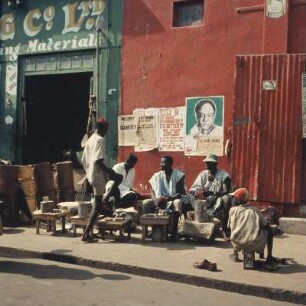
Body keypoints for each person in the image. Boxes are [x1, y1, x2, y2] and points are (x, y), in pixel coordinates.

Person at [81, 117, 123, 243]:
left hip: (92, 175)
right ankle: (86, 234)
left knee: (118, 178)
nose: (106, 132)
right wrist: (109, 171)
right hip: (98, 175)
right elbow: (98, 161)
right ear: (101, 128)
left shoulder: (90, 140)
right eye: (105, 130)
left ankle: (107, 208)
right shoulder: (99, 140)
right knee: (97, 205)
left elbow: (83, 160)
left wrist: (89, 172)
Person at [227, 188, 276, 268]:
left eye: (234, 198)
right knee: (269, 231)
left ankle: (235, 254)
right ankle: (269, 257)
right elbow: (265, 226)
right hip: (254, 243)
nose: (232, 200)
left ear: (238, 201)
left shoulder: (232, 210)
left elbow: (229, 226)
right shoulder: (255, 210)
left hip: (237, 242)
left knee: (234, 229)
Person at [142, 156, 186, 241]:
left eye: (163, 163)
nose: (161, 165)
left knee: (178, 202)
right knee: (146, 203)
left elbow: (181, 192)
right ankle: (154, 228)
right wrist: (155, 199)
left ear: (170, 164)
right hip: (159, 198)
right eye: (161, 162)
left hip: (173, 198)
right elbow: (152, 190)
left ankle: (174, 232)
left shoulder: (178, 175)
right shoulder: (157, 175)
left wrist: (169, 198)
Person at [189, 154, 231, 239]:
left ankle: (224, 229)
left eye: (210, 163)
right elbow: (193, 189)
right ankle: (192, 227)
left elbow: (226, 191)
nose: (207, 165)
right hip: (202, 199)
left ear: (215, 164)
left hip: (217, 199)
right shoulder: (203, 174)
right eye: (206, 163)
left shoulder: (224, 175)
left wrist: (212, 193)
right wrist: (200, 193)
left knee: (226, 199)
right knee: (187, 197)